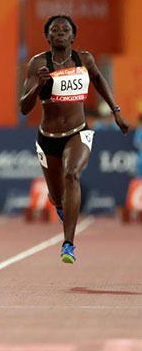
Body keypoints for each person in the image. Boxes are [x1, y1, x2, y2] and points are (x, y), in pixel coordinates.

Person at [19, 15, 128, 264]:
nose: (60, 33)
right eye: (54, 30)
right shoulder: (38, 64)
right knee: (57, 196)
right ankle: (60, 205)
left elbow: (99, 80)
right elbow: (24, 108)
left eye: (65, 30)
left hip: (78, 133)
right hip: (48, 138)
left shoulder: (84, 59)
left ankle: (68, 244)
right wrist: (38, 86)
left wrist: (116, 112)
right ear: (47, 37)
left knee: (72, 174)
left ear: (72, 36)